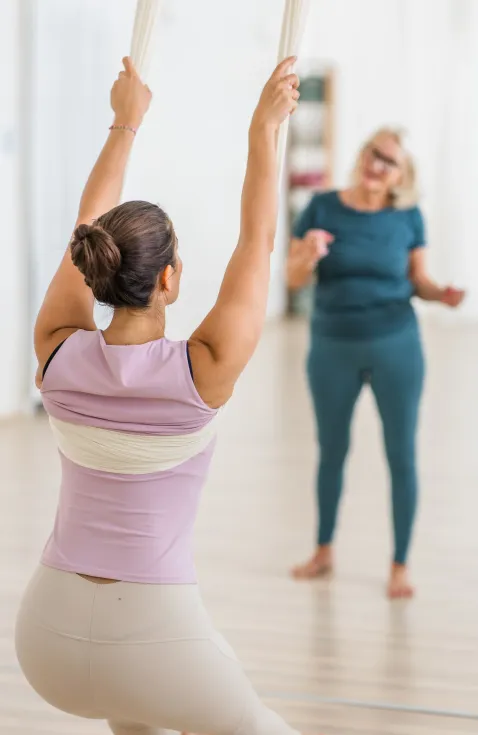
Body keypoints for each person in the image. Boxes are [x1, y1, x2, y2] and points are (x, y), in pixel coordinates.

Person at [15, 56, 302, 735]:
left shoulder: (57, 350)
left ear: (93, 268)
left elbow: (87, 222)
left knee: (136, 714)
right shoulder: (202, 370)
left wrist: (124, 123)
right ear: (171, 278)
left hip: (45, 640)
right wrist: (264, 131)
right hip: (152, 631)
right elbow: (257, 243)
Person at [288, 129, 465, 599]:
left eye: (391, 162)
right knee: (331, 451)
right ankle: (323, 552)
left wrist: (441, 295)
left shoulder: (408, 217)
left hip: (396, 347)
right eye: (376, 154)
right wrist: (307, 255)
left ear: (401, 177)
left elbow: (418, 280)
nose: (379, 165)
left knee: (401, 454)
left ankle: (400, 564)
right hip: (332, 346)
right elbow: (292, 277)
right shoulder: (321, 207)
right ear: (362, 154)